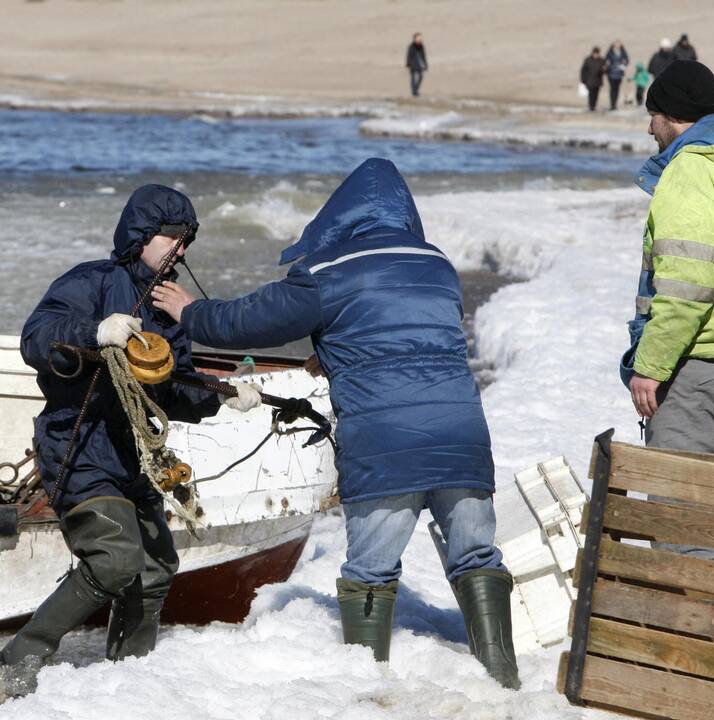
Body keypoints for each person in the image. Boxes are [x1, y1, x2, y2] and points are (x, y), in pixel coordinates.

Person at [152, 158, 521, 689]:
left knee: (371, 573)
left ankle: (367, 688)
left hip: (385, 443)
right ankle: (503, 679)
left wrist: (189, 312)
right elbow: (405, 335)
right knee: (477, 556)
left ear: (342, 214)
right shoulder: (436, 263)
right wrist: (336, 351)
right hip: (461, 435)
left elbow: (249, 321)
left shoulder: (329, 272)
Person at [0, 185, 260, 689]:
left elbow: (173, 388)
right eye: (173, 238)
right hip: (78, 445)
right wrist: (95, 332)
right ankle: (23, 656)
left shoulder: (169, 308)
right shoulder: (91, 281)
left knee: (156, 567)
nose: (182, 249)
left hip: (135, 454)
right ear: (141, 237)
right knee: (117, 558)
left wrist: (222, 395)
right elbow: (37, 336)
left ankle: (126, 682)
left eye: (187, 240)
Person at [620, 61, 714, 564]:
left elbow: (687, 285)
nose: (649, 127)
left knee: (683, 517)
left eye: (653, 115)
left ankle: (695, 637)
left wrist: (650, 366)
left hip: (699, 369)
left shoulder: (690, 171)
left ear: (672, 116)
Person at [605, 40, 630, 111]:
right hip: (611, 74)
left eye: (619, 44)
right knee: (612, 89)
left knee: (617, 89)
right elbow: (606, 60)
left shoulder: (622, 52)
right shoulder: (610, 52)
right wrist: (608, 65)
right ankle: (612, 104)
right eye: (616, 44)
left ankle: (614, 104)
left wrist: (624, 64)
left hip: (619, 74)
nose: (617, 45)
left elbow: (627, 60)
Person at [580, 47, 606, 112]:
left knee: (596, 94)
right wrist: (583, 79)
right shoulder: (588, 59)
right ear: (593, 53)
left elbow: (604, 71)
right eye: (595, 53)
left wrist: (604, 70)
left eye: (597, 54)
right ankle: (591, 106)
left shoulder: (602, 60)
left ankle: (593, 106)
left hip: (598, 80)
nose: (596, 55)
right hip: (589, 80)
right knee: (591, 94)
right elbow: (583, 70)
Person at [405, 33, 428, 98]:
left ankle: (416, 90)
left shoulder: (421, 46)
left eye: (420, 38)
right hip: (413, 64)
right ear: (415, 38)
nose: (420, 39)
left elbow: (423, 56)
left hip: (419, 65)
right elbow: (408, 56)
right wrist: (408, 64)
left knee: (420, 77)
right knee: (413, 78)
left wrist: (426, 64)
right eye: (418, 38)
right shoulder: (411, 46)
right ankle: (414, 92)